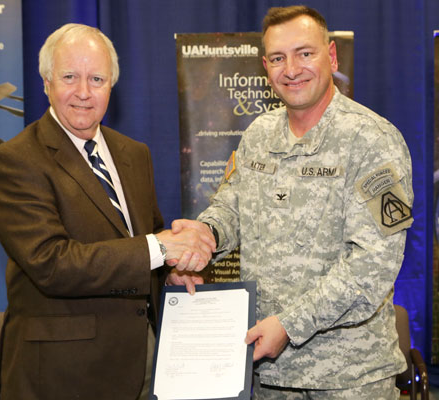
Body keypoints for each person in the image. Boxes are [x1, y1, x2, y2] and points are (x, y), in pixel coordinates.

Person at [173, 5, 413, 398]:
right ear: (265, 67)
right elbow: (230, 207)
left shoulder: (373, 141)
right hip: (269, 375)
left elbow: (374, 266)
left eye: (305, 53)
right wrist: (202, 239)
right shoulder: (258, 135)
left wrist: (289, 324)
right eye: (279, 58)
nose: (292, 69)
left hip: (348, 379)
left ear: (331, 57)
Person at [0, 23, 214, 400]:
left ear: (111, 86)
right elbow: (52, 263)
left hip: (145, 361)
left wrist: (170, 272)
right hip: (64, 376)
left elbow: (143, 240)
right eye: (70, 77)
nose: (83, 92)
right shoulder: (14, 161)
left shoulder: (134, 154)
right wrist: (159, 249)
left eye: (96, 78)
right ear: (46, 82)